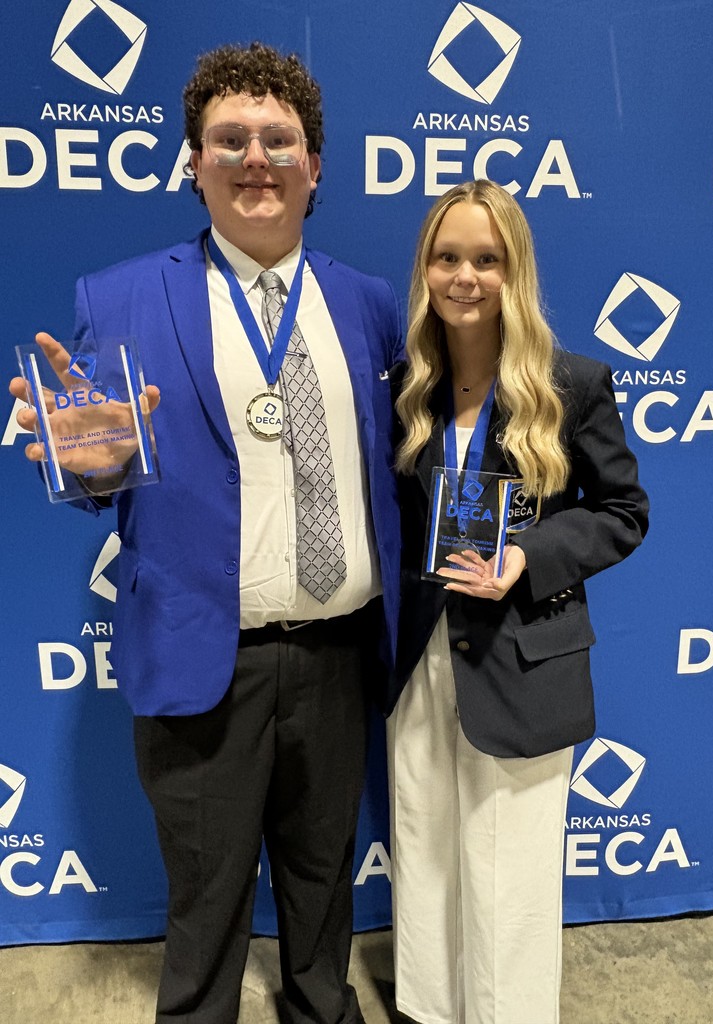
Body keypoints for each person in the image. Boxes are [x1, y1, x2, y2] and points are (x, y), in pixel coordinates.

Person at [9, 42, 402, 1024]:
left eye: (281, 139)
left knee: (324, 891)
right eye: (230, 139)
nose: (255, 157)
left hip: (339, 655)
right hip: (199, 655)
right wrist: (88, 468)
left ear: (317, 164)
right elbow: (101, 471)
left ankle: (321, 1009)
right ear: (193, 163)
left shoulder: (370, 305)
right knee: (206, 897)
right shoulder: (122, 296)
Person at [384, 179, 649, 1024]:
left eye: (486, 259)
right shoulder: (408, 386)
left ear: (515, 270)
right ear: (425, 267)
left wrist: (526, 555)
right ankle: (428, 1013)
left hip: (523, 657)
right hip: (422, 662)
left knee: (510, 881)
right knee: (423, 855)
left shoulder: (571, 383)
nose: (465, 276)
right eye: (447, 256)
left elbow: (623, 513)